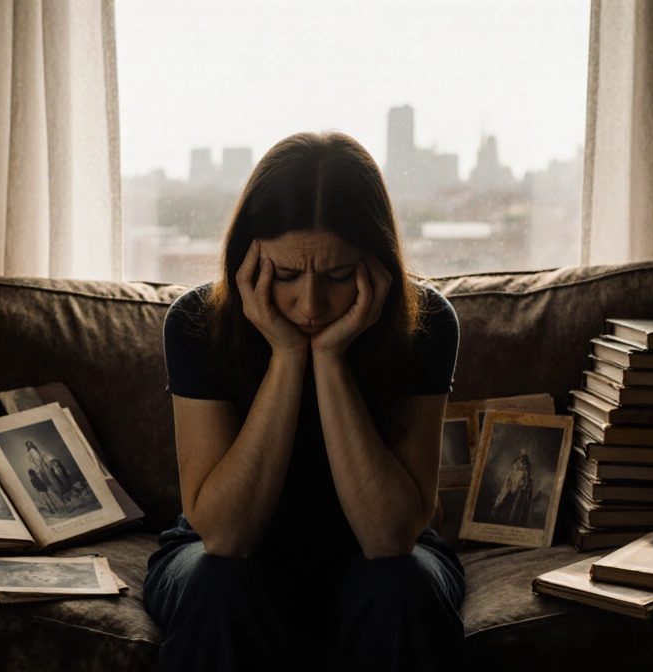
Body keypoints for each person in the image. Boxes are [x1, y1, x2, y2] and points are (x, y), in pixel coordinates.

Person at [142, 131, 466, 672]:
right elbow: (224, 534)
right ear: (248, 259)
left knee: (401, 587)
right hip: (221, 555)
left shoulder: (426, 324)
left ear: (376, 263)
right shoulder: (196, 323)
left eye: (338, 276)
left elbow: (390, 537)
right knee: (217, 584)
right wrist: (288, 356)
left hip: (384, 556)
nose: (310, 303)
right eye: (286, 275)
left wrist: (331, 360)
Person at [489, 448, 533, 527]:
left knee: (515, 510)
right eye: (518, 467)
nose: (520, 467)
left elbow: (525, 481)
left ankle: (513, 523)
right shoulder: (514, 471)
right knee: (504, 503)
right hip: (511, 488)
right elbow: (508, 483)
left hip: (519, 491)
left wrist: (522, 485)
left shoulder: (525, 470)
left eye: (522, 467)